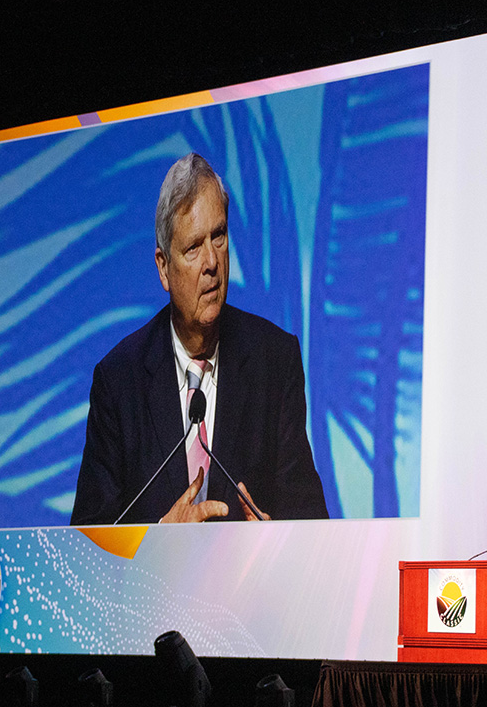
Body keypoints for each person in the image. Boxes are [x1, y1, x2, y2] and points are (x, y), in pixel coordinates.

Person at [70, 153, 328, 525]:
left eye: (219, 236)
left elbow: (312, 524)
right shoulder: (118, 382)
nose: (211, 261)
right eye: (193, 247)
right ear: (163, 267)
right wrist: (157, 542)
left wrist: (278, 542)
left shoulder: (275, 361)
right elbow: (86, 545)